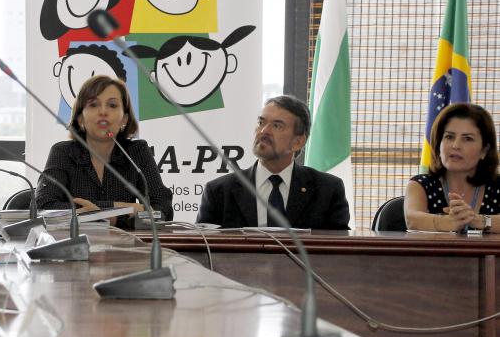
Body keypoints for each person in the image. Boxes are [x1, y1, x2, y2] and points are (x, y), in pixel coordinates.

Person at [35, 75, 173, 227]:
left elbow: (163, 210)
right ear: (80, 119)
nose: (103, 111)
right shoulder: (63, 152)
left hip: (125, 247)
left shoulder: (136, 152)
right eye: (93, 105)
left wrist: (110, 218)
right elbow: (44, 206)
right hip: (74, 245)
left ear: (125, 119)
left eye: (112, 105)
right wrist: (120, 208)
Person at [197, 95, 351, 230]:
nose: (264, 131)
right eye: (261, 122)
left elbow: (339, 252)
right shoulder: (219, 192)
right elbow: (202, 252)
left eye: (277, 126)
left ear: (298, 142)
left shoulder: (327, 190)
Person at [404, 103, 500, 232]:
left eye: (467, 139)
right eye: (449, 137)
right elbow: (412, 219)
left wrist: (477, 220)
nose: (455, 145)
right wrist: (448, 222)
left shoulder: (497, 185)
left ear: (484, 150)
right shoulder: (420, 184)